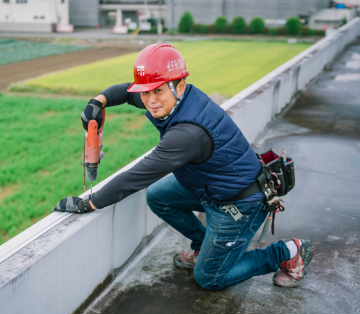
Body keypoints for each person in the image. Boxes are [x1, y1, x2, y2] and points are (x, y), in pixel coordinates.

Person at [54, 44, 315, 289]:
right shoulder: (172, 99)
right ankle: (205, 245)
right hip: (212, 189)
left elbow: (135, 177)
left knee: (209, 278)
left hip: (238, 206)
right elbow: (126, 91)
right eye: (146, 92)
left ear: (180, 87)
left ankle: (289, 252)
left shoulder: (187, 134)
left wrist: (87, 202)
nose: (150, 100)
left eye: (157, 91)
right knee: (159, 196)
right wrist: (97, 102)